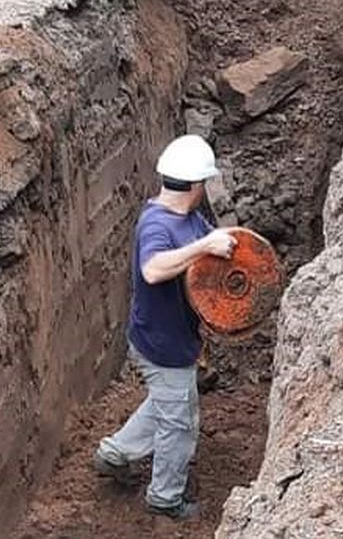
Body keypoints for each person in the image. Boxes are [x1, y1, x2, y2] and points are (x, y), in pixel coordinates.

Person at [93, 134, 238, 520]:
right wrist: (202, 249)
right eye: (204, 183)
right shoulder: (156, 224)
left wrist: (224, 245)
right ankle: (165, 498)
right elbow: (153, 269)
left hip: (173, 338)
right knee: (180, 422)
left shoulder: (189, 219)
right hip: (162, 344)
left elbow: (211, 241)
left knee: (166, 403)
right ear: (195, 185)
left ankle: (115, 454)